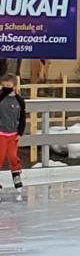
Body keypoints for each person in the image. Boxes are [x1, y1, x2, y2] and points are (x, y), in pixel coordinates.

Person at [0, 73, 25, 201]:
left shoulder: (19, 101)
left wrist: (20, 133)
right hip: (1, 134)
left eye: (8, 86)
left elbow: (22, 118)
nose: (5, 88)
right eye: (3, 86)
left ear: (14, 87)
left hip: (13, 135)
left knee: (12, 156)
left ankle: (16, 175)